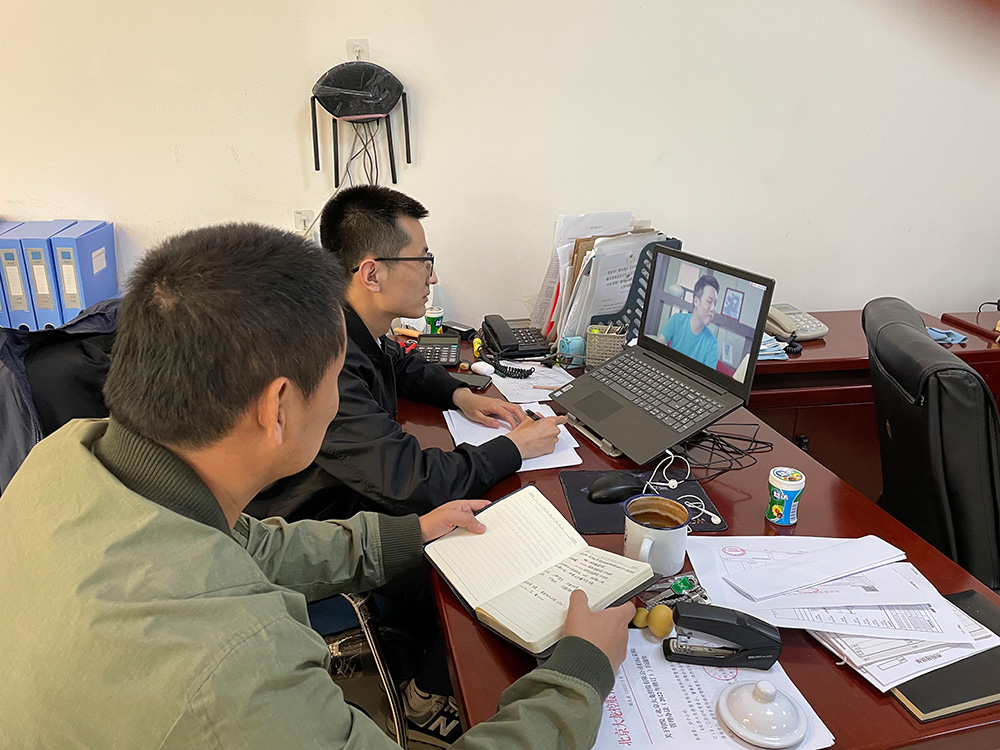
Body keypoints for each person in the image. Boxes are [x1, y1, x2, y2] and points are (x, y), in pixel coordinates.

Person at [0, 223, 635, 749]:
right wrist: (577, 675)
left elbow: (249, 547)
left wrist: (408, 534)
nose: (341, 400)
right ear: (278, 408)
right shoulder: (239, 665)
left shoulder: (64, 457)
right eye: (336, 380)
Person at [250, 185, 565, 523]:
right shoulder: (324, 363)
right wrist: (516, 447)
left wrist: (460, 395)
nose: (433, 277)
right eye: (424, 261)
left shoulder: (342, 321)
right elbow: (412, 482)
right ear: (372, 275)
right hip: (320, 526)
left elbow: (397, 362)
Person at [659, 274, 720, 368]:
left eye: (715, 304)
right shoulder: (676, 320)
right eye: (709, 301)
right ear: (696, 301)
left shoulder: (712, 343)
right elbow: (656, 347)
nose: (713, 309)